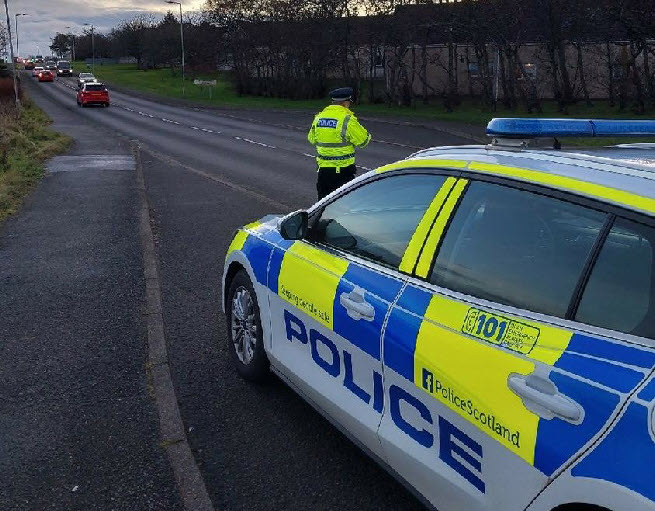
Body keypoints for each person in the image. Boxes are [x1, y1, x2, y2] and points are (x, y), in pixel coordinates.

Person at [307, 87, 371, 200]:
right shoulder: (347, 119)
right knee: (344, 206)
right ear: (345, 102)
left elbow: (311, 139)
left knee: (323, 205)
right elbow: (363, 141)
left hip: (323, 171)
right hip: (343, 172)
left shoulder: (319, 117)